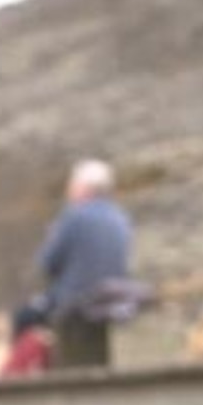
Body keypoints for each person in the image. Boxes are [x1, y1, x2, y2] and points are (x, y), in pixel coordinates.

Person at [32, 158, 136, 372]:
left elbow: (48, 262)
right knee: (97, 362)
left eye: (72, 185)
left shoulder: (74, 217)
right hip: (110, 305)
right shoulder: (120, 219)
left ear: (83, 188)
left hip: (75, 305)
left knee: (27, 318)